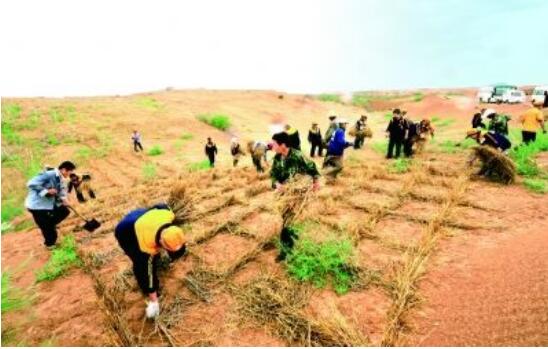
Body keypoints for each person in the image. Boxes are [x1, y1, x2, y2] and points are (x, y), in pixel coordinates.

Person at [115, 204, 187, 319]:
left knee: (153, 258)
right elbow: (147, 272)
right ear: (161, 242)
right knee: (141, 264)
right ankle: (145, 288)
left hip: (142, 216)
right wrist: (154, 301)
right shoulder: (146, 246)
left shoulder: (168, 214)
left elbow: (161, 205)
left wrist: (150, 212)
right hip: (126, 232)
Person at [270, 132, 320, 261]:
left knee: (286, 223)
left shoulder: (297, 156)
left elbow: (312, 167)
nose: (272, 146)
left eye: (274, 144)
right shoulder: (277, 158)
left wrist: (315, 183)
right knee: (286, 218)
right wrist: (276, 184)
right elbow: (273, 174)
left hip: (296, 196)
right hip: (284, 195)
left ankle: (285, 251)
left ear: (283, 145)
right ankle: (291, 235)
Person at [25, 161, 76, 249]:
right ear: (64, 170)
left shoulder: (61, 178)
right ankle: (49, 245)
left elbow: (61, 191)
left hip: (48, 204)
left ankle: (48, 225)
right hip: (37, 205)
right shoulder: (49, 174)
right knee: (48, 229)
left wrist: (64, 200)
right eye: (70, 171)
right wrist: (46, 191)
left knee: (64, 211)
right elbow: (31, 183)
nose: (70, 174)